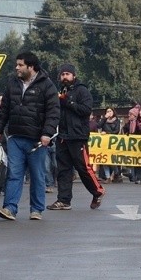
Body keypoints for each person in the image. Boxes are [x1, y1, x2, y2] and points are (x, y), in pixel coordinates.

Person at [0, 51, 59, 222]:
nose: (17, 68)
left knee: (37, 175)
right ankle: (9, 208)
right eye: (17, 64)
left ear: (31, 67)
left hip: (37, 140)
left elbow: (53, 112)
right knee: (14, 173)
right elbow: (4, 109)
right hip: (15, 137)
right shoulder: (12, 83)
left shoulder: (47, 85)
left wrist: (47, 133)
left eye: (20, 65)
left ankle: (36, 209)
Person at [46, 64, 105, 212]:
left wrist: (69, 103)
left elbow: (86, 110)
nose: (64, 77)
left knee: (83, 167)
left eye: (67, 74)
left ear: (74, 76)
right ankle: (63, 200)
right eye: (62, 74)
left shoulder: (82, 90)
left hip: (78, 136)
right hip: (62, 136)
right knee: (63, 170)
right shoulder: (60, 91)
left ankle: (98, 191)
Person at [99, 107, 122, 183]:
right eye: (107, 111)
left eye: (110, 111)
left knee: (112, 160)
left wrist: (107, 133)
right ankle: (108, 177)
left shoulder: (117, 121)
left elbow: (116, 131)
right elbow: (98, 126)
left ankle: (116, 173)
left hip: (113, 143)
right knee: (105, 160)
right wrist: (104, 119)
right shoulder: (104, 121)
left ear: (113, 112)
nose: (109, 112)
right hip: (105, 143)